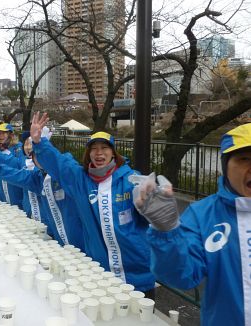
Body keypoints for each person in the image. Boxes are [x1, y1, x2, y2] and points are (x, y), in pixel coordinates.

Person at [133, 123, 251, 326]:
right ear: (225, 166)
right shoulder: (202, 215)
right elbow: (182, 277)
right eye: (244, 159)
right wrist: (166, 231)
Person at [30, 112, 155, 295]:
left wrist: (154, 203)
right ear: (88, 154)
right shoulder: (80, 180)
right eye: (94, 148)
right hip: (98, 276)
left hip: (137, 277)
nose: (99, 153)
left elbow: (156, 218)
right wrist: (39, 142)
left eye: (104, 148)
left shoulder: (131, 180)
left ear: (113, 153)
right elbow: (58, 163)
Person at [0, 133, 85, 249]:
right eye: (35, 156)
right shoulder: (38, 177)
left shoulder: (66, 174)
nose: (40, 158)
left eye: (42, 154)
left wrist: (44, 147)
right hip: (55, 237)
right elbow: (16, 175)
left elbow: (67, 164)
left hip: (82, 244)